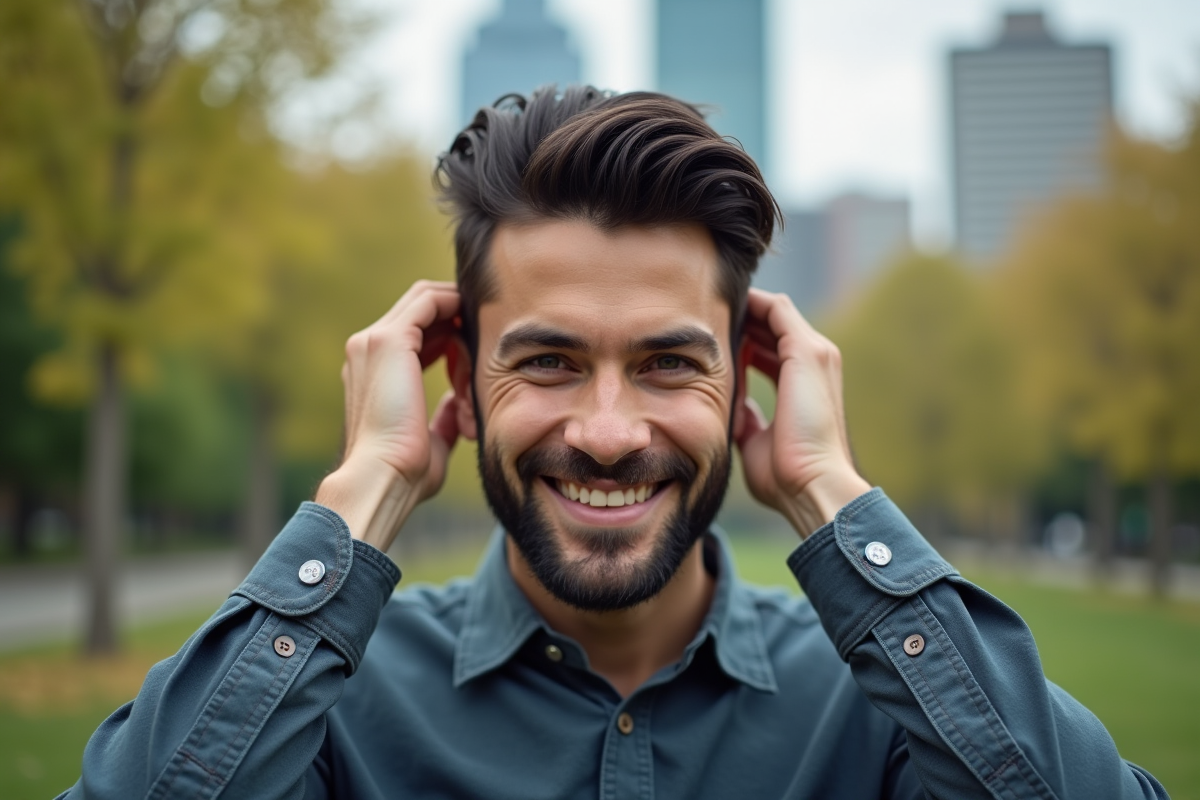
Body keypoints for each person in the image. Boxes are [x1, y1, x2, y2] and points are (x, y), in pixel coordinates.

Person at [61, 86, 1167, 800]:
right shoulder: (321, 702)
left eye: (668, 361)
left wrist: (832, 492)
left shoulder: (886, 708)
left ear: (750, 381)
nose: (604, 431)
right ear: (460, 380)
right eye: (545, 361)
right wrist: (364, 491)